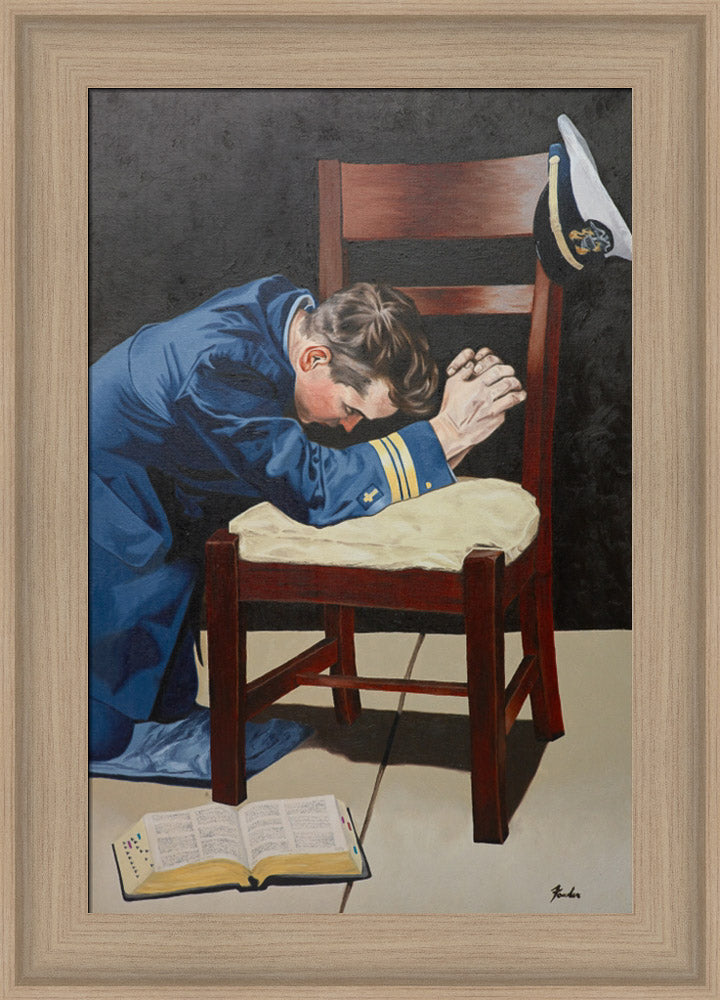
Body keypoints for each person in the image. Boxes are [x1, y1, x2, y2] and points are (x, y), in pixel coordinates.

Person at [90, 274, 526, 760]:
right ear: (313, 358)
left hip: (158, 494)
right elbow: (313, 490)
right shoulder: (220, 366)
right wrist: (446, 432)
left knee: (159, 695)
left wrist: (457, 430)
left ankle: (163, 719)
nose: (348, 426)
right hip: (102, 501)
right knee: (102, 735)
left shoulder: (288, 314)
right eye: (350, 407)